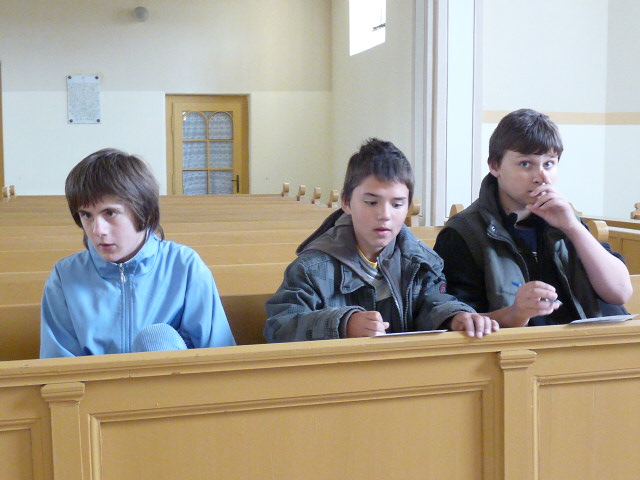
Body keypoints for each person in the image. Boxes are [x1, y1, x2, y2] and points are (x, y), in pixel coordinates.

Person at [264, 138, 499, 342]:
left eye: (397, 204)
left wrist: (455, 316)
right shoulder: (311, 268)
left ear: (408, 206)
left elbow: (433, 302)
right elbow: (278, 327)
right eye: (371, 202)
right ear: (346, 202)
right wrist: (343, 324)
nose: (385, 215)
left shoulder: (422, 262)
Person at [434, 108, 632, 327]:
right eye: (525, 164)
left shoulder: (568, 221)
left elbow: (620, 293)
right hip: (519, 347)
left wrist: (573, 228)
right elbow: (461, 321)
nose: (541, 177)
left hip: (587, 343)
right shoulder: (463, 232)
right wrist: (515, 312)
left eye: (549, 163)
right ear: (495, 166)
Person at [40, 148, 236, 358]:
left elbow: (218, 355)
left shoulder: (185, 265)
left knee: (156, 339)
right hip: (93, 380)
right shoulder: (65, 275)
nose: (97, 230)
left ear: (144, 211)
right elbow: (58, 365)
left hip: (171, 378)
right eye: (87, 215)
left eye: (110, 213)